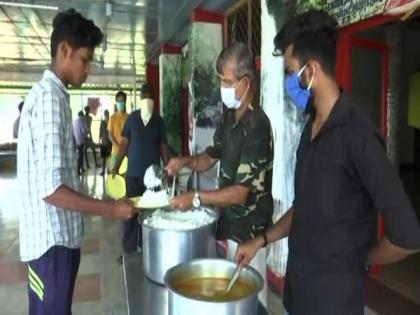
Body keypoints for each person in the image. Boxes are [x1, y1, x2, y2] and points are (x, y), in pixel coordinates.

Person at [235, 10, 420, 315]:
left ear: (310, 72)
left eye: (290, 71)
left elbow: (408, 236)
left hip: (334, 304)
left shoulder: (358, 136)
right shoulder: (310, 128)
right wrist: (262, 240)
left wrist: (362, 257)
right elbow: (305, 206)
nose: (287, 81)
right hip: (297, 296)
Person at [17, 9, 135, 315]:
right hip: (50, 246)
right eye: (84, 59)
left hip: (57, 242)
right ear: (64, 51)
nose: (88, 69)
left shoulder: (54, 97)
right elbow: (52, 188)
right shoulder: (49, 100)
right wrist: (111, 208)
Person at [165, 43, 273, 307]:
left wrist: (197, 198)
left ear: (246, 82)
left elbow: (240, 193)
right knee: (226, 302)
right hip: (227, 226)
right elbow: (208, 159)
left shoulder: (257, 126)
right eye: (221, 81)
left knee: (248, 303)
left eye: (227, 81)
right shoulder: (229, 119)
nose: (222, 87)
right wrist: (184, 162)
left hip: (249, 235)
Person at [112, 83, 169, 255]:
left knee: (150, 216)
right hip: (133, 176)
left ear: (154, 99)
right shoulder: (132, 119)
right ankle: (128, 252)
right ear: (140, 98)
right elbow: (123, 145)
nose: (147, 99)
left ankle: (147, 249)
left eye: (150, 96)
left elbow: (164, 147)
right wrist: (115, 166)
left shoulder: (159, 121)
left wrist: (168, 169)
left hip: (153, 178)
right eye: (144, 96)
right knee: (130, 214)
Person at [108, 91, 128, 170]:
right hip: (115, 153)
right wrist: (118, 146)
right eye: (118, 101)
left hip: (126, 153)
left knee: (125, 177)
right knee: (113, 174)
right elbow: (110, 136)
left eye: (122, 101)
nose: (120, 103)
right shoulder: (112, 118)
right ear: (116, 102)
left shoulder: (129, 117)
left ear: (125, 102)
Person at [73, 111, 87, 175]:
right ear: (82, 115)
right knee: (80, 156)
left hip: (76, 141)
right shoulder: (82, 122)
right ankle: (78, 170)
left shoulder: (75, 121)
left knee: (79, 155)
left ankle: (80, 168)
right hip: (81, 141)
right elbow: (84, 131)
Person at [99, 109, 111, 176]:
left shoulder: (110, 121)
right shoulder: (102, 122)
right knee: (103, 158)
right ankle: (103, 171)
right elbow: (100, 131)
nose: (107, 115)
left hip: (109, 142)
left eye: (107, 114)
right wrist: (99, 139)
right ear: (104, 115)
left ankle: (109, 170)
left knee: (109, 157)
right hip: (104, 142)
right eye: (106, 114)